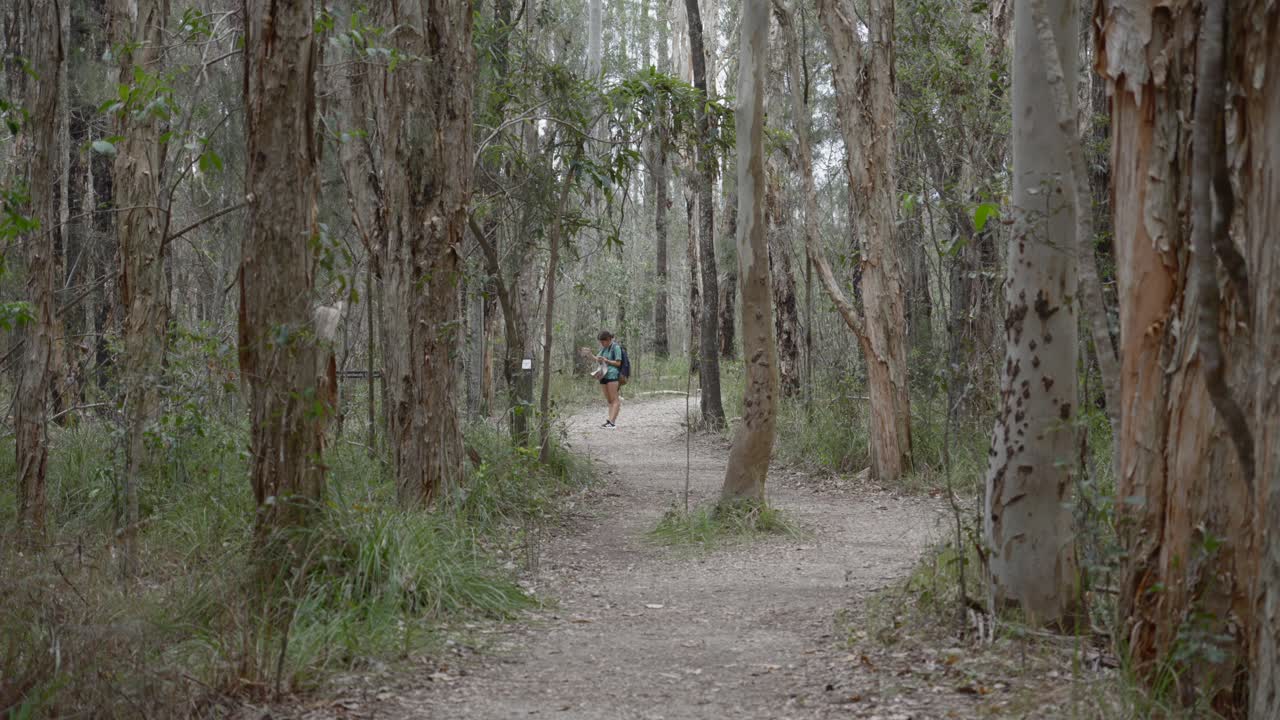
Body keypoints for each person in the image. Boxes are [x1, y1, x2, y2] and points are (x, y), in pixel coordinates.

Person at [595, 330, 623, 428]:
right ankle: (610, 421)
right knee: (610, 400)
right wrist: (590, 355)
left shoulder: (616, 348)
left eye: (603, 341)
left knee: (615, 399)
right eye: (601, 342)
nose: (602, 344)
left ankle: (612, 422)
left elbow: (618, 363)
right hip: (603, 375)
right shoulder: (604, 349)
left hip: (612, 375)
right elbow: (598, 359)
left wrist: (607, 361)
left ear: (609, 339)